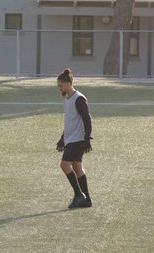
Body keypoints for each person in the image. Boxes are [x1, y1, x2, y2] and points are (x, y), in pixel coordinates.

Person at [56, 68, 93, 208]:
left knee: (64, 165)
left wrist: (87, 138)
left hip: (78, 140)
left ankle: (79, 195)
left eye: (60, 85)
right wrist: (62, 138)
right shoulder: (68, 98)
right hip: (71, 139)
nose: (59, 88)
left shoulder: (79, 98)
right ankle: (87, 200)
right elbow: (70, 121)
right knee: (77, 167)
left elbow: (87, 119)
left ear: (68, 83)